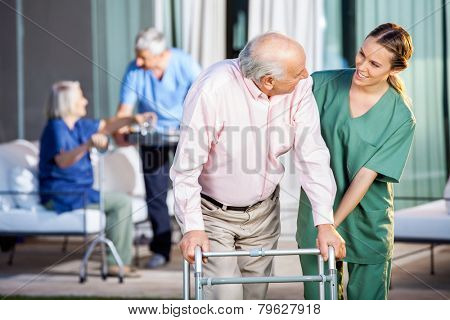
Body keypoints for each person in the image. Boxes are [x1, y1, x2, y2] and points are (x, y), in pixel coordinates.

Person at [170, 32, 346, 300]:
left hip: (264, 214)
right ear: (268, 81)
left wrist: (325, 223)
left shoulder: (299, 87)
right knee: (225, 301)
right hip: (214, 215)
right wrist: (193, 227)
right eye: (298, 71)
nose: (306, 74)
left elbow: (313, 156)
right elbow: (186, 167)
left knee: (256, 299)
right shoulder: (213, 89)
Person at [297, 23, 415, 300]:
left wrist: (331, 224)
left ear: (394, 70)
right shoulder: (321, 85)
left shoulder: (401, 117)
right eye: (361, 54)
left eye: (374, 64)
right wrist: (323, 224)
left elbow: (365, 176)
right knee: (320, 300)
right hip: (317, 213)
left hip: (367, 220)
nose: (361, 66)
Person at [39, 81, 154, 276]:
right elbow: (63, 161)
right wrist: (87, 146)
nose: (85, 101)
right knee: (121, 202)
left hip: (82, 192)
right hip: (61, 195)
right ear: (68, 103)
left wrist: (133, 119)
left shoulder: (79, 125)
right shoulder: (56, 128)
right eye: (80, 97)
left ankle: (115, 261)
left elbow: (108, 125)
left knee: (120, 201)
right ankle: (114, 264)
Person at [114, 28, 201, 269]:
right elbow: (124, 110)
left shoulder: (184, 63)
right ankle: (161, 249)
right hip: (153, 136)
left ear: (161, 54)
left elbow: (204, 98)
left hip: (185, 133)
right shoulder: (135, 70)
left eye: (143, 57)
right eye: (137, 56)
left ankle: (202, 245)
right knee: (156, 194)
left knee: (198, 187)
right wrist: (121, 128)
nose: (138, 61)